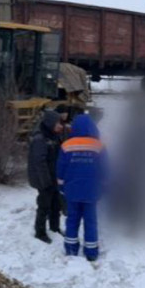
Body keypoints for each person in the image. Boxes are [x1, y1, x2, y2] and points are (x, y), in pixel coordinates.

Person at [57, 114, 107, 262]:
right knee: (91, 221)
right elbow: (105, 169)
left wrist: (61, 186)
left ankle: (71, 249)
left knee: (72, 219)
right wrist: (104, 187)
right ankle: (91, 252)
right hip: (92, 191)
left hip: (72, 190)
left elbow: (60, 168)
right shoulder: (99, 146)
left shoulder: (66, 145)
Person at [28, 110, 64, 244]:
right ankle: (40, 232)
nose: (60, 126)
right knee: (44, 206)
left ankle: (55, 227)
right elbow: (39, 162)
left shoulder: (54, 136)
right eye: (58, 123)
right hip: (44, 179)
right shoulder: (40, 139)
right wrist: (45, 182)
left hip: (53, 177)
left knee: (56, 204)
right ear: (50, 123)